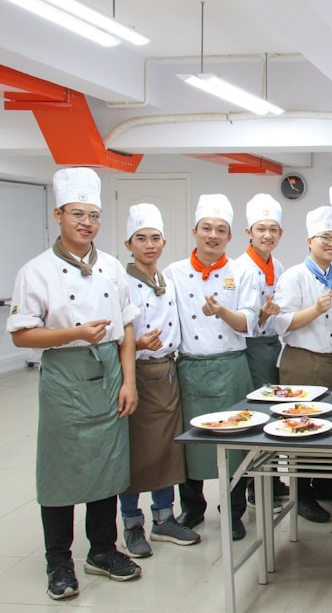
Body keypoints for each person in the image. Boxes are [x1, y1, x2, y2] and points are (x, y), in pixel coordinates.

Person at [8, 167, 141, 599]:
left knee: (107, 465)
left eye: (94, 215)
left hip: (109, 374)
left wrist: (130, 382)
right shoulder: (37, 271)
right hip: (65, 374)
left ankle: (102, 549)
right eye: (77, 213)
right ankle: (58, 561)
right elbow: (22, 334)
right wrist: (75, 333)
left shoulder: (112, 268)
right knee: (61, 470)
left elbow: (126, 327)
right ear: (59, 214)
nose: (86, 222)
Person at [164, 194, 259, 541]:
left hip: (232, 366)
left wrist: (220, 311)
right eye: (207, 228)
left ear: (230, 237)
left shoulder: (242, 272)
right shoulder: (173, 272)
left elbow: (247, 323)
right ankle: (192, 507)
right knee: (191, 443)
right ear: (195, 231)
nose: (213, 235)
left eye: (221, 230)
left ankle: (233, 512)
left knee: (236, 444)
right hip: (190, 367)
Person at [118, 204, 201, 559]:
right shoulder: (122, 283)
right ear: (129, 244)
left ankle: (164, 517)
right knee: (136, 453)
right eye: (141, 239)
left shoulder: (164, 280)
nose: (149, 245)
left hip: (168, 371)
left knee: (168, 448)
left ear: (164, 242)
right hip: (136, 374)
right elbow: (113, 334)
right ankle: (132, 523)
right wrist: (136, 345)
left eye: (154, 238)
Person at [272, 206, 332, 524]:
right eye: (325, 238)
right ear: (310, 240)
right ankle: (302, 495)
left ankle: (324, 484)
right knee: (303, 431)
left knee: (330, 429)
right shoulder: (294, 275)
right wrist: (315, 309)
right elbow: (280, 323)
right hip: (304, 362)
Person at [233, 194, 291, 510]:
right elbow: (239, 321)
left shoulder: (278, 266)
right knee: (255, 418)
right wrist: (264, 316)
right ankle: (255, 486)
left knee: (272, 416)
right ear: (249, 232)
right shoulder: (239, 268)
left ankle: (268, 479)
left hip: (272, 347)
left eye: (273, 229)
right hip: (250, 348)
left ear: (280, 234)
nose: (267, 235)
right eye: (261, 229)